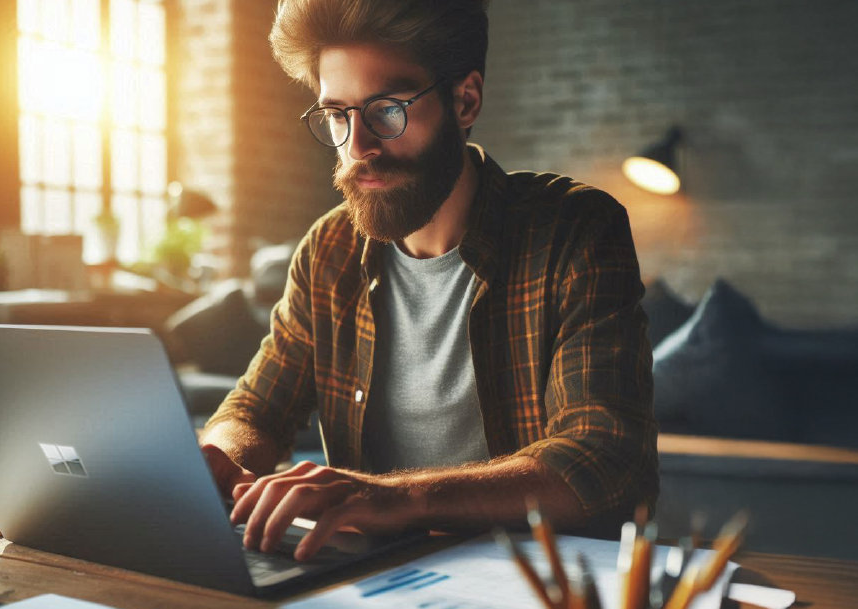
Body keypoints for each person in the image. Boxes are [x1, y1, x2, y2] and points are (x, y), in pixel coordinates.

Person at [200, 0, 658, 562]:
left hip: (540, 579)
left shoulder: (574, 229)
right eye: (337, 115)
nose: (358, 147)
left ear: (464, 101)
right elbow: (253, 410)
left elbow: (604, 457)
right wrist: (220, 457)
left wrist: (397, 497)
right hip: (372, 580)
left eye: (387, 111)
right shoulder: (328, 250)